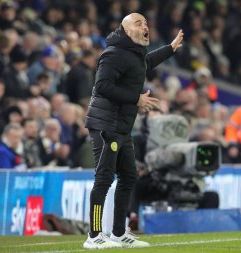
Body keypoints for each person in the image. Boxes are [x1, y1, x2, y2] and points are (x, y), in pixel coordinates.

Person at [83, 13, 183, 249]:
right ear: (126, 30)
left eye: (146, 23)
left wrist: (170, 48)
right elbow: (102, 86)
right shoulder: (113, 54)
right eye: (138, 23)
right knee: (104, 178)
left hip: (122, 127)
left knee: (129, 177)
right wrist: (135, 99)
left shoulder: (134, 55)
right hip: (105, 125)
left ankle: (118, 233)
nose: (145, 26)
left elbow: (146, 63)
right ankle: (94, 236)